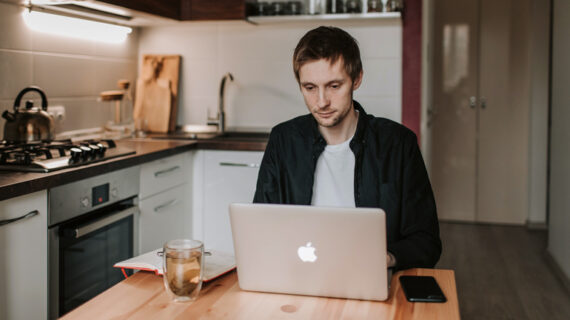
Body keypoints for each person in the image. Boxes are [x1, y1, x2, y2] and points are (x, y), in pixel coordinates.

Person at [253, 26, 441, 270]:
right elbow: (261, 228)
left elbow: (427, 242)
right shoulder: (283, 140)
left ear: (357, 78)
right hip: (298, 275)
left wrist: (386, 258)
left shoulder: (398, 144)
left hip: (371, 277)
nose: (322, 102)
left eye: (334, 86)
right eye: (310, 88)